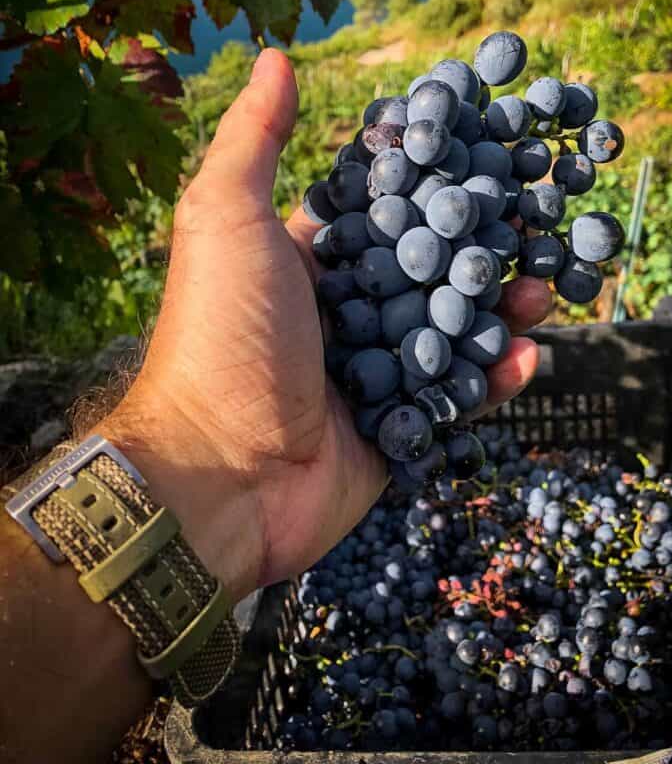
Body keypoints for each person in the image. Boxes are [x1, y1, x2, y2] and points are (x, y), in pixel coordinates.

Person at [0, 49, 551, 762]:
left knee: (483, 311)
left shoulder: (447, 198)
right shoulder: (403, 211)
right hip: (370, 378)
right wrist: (213, 450)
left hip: (375, 388)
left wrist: (213, 471)